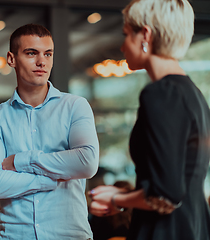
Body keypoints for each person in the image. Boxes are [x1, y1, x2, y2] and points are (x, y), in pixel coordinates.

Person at [89, 0, 210, 239]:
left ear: (145, 34)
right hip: (193, 227)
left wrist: (116, 198)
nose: (122, 47)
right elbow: (172, 187)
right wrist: (124, 200)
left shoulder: (160, 93)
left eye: (126, 35)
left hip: (164, 232)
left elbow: (165, 195)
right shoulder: (193, 94)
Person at [0, 23, 99, 240]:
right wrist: (48, 179)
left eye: (48, 54)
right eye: (31, 53)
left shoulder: (75, 106)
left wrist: (19, 162)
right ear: (11, 59)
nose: (42, 61)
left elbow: (87, 162)